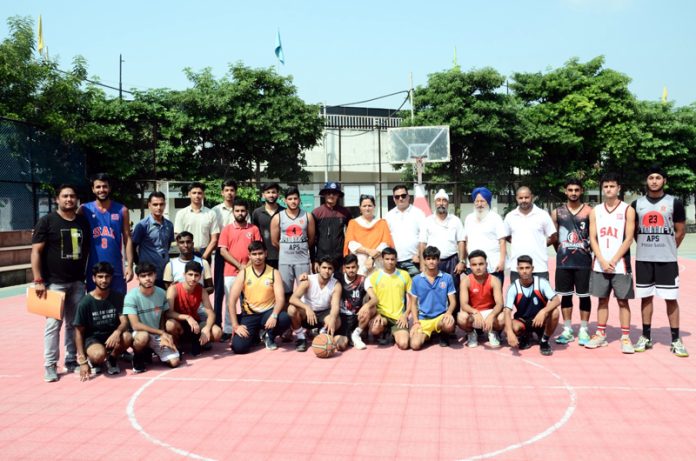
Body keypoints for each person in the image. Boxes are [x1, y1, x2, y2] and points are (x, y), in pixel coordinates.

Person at [31, 184, 91, 382]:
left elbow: (87, 252)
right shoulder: (47, 221)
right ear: (57, 199)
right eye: (65, 196)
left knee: (74, 325)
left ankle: (71, 360)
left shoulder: (82, 222)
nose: (69, 199)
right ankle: (50, 365)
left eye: (72, 196)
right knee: (52, 325)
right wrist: (39, 279)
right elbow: (36, 252)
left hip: (77, 283)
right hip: (54, 283)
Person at [631, 165, 688, 357]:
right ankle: (646, 336)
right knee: (646, 297)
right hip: (644, 259)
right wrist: (648, 246)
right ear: (646, 181)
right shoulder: (636, 204)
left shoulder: (675, 203)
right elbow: (635, 232)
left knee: (671, 299)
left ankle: (675, 339)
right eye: (651, 177)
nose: (654, 181)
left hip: (667, 260)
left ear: (664, 180)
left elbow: (680, 231)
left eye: (658, 177)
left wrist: (668, 249)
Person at [586, 172, 636, 354]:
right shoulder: (595, 211)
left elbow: (629, 239)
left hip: (620, 264)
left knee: (623, 301)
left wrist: (613, 260)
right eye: (606, 186)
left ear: (619, 188)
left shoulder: (627, 209)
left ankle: (625, 337)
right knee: (602, 300)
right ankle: (600, 334)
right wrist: (601, 259)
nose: (609, 189)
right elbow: (592, 238)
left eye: (612, 186)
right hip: (600, 264)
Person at [227, 241, 292, 353]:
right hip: (250, 315)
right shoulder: (244, 273)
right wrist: (235, 325)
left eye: (260, 253)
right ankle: (256, 335)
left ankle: (269, 336)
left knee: (284, 318)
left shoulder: (274, 272)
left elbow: (280, 299)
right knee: (239, 348)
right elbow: (232, 300)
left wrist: (274, 315)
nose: (258, 257)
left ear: (266, 253)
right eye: (254, 254)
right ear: (249, 256)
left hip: (268, 313)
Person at [551, 179, 593, 346]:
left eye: (576, 190)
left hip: (584, 262)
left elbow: (594, 235)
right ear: (565, 191)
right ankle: (567, 329)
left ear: (581, 191)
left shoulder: (590, 212)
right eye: (570, 190)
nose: (573, 193)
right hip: (564, 262)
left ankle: (583, 328)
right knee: (566, 297)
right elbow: (554, 237)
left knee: (584, 297)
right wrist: (561, 251)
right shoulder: (557, 212)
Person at [73, 262, 132, 380]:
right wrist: (82, 360)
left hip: (111, 338)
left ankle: (112, 358)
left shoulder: (118, 297)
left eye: (107, 277)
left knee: (128, 337)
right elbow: (78, 332)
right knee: (98, 355)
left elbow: (124, 321)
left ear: (111, 278)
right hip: (93, 339)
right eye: (100, 277)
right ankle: (93, 359)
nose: (104, 280)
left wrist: (117, 332)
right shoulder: (85, 303)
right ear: (93, 278)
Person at [80, 173, 134, 293]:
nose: (102, 190)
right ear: (93, 189)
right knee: (95, 303)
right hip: (93, 265)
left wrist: (129, 266)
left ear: (109, 188)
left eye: (105, 186)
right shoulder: (84, 209)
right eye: (98, 187)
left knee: (118, 303)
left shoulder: (122, 210)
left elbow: (127, 239)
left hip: (115, 265)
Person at [124, 262, 181, 372]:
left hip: (157, 333)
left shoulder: (161, 293)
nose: (147, 279)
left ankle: (157, 351)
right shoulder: (131, 296)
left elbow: (163, 316)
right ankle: (138, 356)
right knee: (143, 337)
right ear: (138, 278)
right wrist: (161, 332)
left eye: (150, 275)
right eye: (143, 276)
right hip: (140, 333)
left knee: (175, 362)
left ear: (155, 275)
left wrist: (164, 334)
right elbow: (135, 325)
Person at [218, 199, 261, 338]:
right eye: (237, 211)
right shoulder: (227, 229)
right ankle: (228, 329)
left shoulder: (253, 229)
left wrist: (246, 267)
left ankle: (250, 328)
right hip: (230, 273)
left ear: (247, 212)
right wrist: (239, 266)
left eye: (243, 210)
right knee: (231, 301)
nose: (240, 213)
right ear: (233, 212)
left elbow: (257, 250)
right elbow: (223, 251)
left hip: (250, 273)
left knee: (249, 301)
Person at [503, 255, 561, 356]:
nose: (524, 271)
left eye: (527, 268)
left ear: (532, 269)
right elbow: (507, 311)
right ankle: (525, 336)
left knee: (555, 312)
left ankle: (544, 341)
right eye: (521, 268)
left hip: (540, 321)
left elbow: (556, 300)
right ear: (517, 270)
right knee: (510, 327)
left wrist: (543, 311)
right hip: (523, 321)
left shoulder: (542, 283)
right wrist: (509, 332)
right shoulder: (513, 287)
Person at [357, 247, 413, 350]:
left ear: (396, 260)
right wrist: (377, 314)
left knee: (404, 344)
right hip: (382, 315)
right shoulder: (375, 276)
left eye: (392, 259)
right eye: (387, 259)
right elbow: (370, 299)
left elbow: (413, 299)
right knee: (374, 329)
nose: (390, 262)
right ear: (382, 260)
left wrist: (405, 315)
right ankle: (382, 332)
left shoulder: (404, 275)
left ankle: (391, 335)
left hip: (398, 318)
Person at [419, 189, 466, 305]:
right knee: (433, 290)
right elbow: (422, 244)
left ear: (448, 203)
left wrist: (462, 261)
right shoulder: (427, 221)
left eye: (444, 200)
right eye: (438, 200)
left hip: (452, 261)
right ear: (435, 203)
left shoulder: (455, 220)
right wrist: (422, 264)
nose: (441, 203)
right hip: (432, 262)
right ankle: (435, 318)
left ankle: (453, 318)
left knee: (454, 290)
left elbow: (461, 241)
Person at [166, 261, 222, 356]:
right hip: (179, 323)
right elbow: (168, 313)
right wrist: (187, 317)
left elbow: (211, 313)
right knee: (169, 324)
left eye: (196, 275)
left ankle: (201, 341)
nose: (193, 278)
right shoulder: (173, 289)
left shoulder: (202, 291)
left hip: (194, 325)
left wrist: (207, 328)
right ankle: (178, 345)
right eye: (190, 274)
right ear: (184, 275)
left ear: (200, 277)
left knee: (217, 332)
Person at [288, 256, 342, 352]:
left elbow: (335, 305)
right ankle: (301, 338)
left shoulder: (336, 284)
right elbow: (293, 299)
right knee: (291, 309)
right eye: (324, 267)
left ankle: (322, 333)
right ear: (318, 268)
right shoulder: (308, 280)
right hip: (307, 314)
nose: (327, 271)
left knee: (336, 319)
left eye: (330, 268)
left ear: (333, 270)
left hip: (323, 313)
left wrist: (332, 318)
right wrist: (307, 307)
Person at [503, 186, 557, 283]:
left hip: (539, 267)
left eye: (526, 197)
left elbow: (553, 236)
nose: (524, 200)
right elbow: (505, 235)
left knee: (540, 298)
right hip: (517, 268)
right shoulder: (510, 216)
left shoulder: (542, 215)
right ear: (516, 198)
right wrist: (516, 241)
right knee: (518, 298)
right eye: (521, 198)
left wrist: (541, 244)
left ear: (531, 197)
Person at [409, 246, 457, 350]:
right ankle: (429, 335)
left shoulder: (447, 277)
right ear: (424, 261)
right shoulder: (416, 280)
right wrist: (416, 322)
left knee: (449, 324)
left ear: (439, 260)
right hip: (424, 319)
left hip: (440, 317)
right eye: (428, 259)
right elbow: (413, 303)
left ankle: (443, 335)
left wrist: (448, 313)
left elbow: (453, 302)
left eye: (434, 259)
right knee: (414, 345)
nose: (431, 261)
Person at [271, 187, 315, 296]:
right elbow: (274, 241)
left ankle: (303, 313)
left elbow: (311, 238)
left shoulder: (307, 216)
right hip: (285, 261)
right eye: (290, 199)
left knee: (305, 292)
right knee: (285, 293)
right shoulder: (278, 218)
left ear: (299, 200)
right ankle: (287, 313)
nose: (293, 201)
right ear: (285, 201)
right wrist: (286, 249)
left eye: (295, 198)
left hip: (302, 261)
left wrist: (300, 247)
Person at [458, 250, 505, 348]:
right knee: (461, 318)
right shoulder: (466, 281)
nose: (478, 267)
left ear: (486, 264)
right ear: (470, 266)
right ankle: (471, 333)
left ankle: (493, 332)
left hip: (490, 313)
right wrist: (475, 312)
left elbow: (500, 303)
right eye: (474, 265)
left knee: (503, 317)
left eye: (481, 264)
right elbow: (464, 304)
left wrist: (492, 315)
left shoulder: (494, 280)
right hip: (474, 314)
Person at [463, 187, 506, 282]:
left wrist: (502, 262)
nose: (479, 204)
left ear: (488, 202)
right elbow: (466, 241)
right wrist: (467, 260)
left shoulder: (496, 218)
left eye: (482, 201)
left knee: (494, 295)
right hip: (473, 266)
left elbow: (502, 241)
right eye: (477, 201)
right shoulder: (469, 218)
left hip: (493, 266)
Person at [132, 191, 174, 289]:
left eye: (161, 204)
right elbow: (133, 246)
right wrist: (139, 264)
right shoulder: (142, 225)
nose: (158, 207)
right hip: (148, 273)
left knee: (165, 301)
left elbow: (167, 246)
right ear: (149, 205)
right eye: (155, 204)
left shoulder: (169, 225)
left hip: (165, 272)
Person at [344, 194, 394, 276]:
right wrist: (368, 251)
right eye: (364, 206)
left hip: (378, 262)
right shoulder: (353, 223)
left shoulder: (382, 223)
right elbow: (351, 244)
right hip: (359, 263)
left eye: (370, 205)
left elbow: (385, 244)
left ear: (374, 206)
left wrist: (371, 258)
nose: (367, 208)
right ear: (360, 208)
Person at [212, 179, 237, 334]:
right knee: (219, 290)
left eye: (232, 190)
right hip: (222, 254)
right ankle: (217, 324)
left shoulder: (240, 208)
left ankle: (238, 323)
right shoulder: (215, 211)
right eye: (226, 190)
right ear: (222, 192)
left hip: (239, 255)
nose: (229, 193)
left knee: (238, 291)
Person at [385, 184, 426, 277]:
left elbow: (424, 237)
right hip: (395, 263)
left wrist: (419, 255)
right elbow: (387, 238)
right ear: (394, 199)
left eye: (403, 196)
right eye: (397, 196)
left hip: (414, 261)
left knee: (415, 291)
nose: (400, 198)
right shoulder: (389, 216)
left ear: (408, 197)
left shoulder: (418, 213)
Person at [174, 182, 220, 262]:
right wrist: (186, 252)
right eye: (194, 193)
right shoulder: (181, 213)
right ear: (189, 194)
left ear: (203, 195)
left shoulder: (211, 213)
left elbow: (214, 239)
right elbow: (178, 236)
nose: (197, 195)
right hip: (186, 252)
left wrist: (204, 257)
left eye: (199, 193)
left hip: (205, 252)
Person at [312, 181, 352, 271]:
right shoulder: (316, 212)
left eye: (334, 193)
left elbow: (351, 236)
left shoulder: (345, 212)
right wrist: (314, 260)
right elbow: (312, 239)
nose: (331, 195)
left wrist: (347, 259)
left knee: (339, 284)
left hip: (340, 259)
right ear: (324, 194)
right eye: (328, 193)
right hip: (321, 259)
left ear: (338, 195)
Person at [339, 254, 368, 349]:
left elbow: (375, 298)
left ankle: (356, 334)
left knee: (370, 308)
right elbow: (322, 277)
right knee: (341, 346)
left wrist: (365, 306)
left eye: (353, 267)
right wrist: (307, 277)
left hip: (357, 317)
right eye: (348, 267)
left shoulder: (364, 280)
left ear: (358, 267)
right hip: (342, 317)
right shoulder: (338, 278)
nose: (351, 270)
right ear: (344, 268)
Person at [251, 182, 284, 269]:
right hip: (263, 256)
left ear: (278, 194)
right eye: (268, 192)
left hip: (282, 255)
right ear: (263, 195)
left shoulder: (284, 212)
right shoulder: (257, 213)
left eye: (273, 192)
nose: (271, 195)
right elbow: (254, 235)